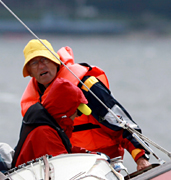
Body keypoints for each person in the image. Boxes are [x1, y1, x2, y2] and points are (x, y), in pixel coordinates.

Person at [20, 39, 151, 171]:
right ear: (29, 72)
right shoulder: (34, 106)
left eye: (45, 59)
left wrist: (141, 158)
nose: (41, 66)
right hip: (67, 167)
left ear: (56, 61)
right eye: (34, 63)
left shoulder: (86, 86)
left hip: (105, 165)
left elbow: (120, 122)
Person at [12, 77, 89, 167]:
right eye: (78, 112)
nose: (76, 116)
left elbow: (64, 150)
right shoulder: (44, 133)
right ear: (66, 111)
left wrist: (89, 154)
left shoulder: (48, 124)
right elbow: (61, 165)